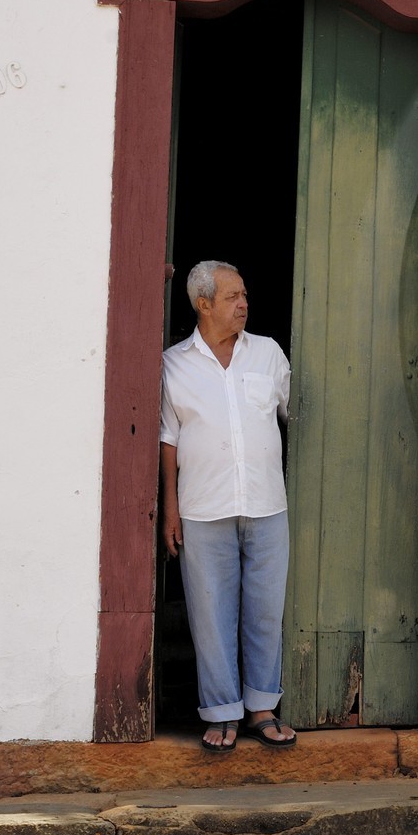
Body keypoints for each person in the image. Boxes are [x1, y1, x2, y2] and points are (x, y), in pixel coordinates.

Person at [159, 260, 298, 752]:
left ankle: (262, 708)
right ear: (204, 304)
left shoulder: (267, 353)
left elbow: (295, 414)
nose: (244, 303)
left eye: (244, 295)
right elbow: (168, 439)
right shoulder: (173, 364)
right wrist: (170, 509)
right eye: (232, 296)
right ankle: (221, 713)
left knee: (265, 613)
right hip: (202, 507)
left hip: (266, 504)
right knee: (210, 614)